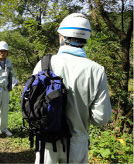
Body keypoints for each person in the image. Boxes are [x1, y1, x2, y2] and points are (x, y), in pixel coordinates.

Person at [33, 13, 112, 163]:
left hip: (46, 142)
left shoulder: (43, 64)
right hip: (77, 143)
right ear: (85, 39)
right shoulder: (96, 70)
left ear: (62, 37)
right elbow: (101, 119)